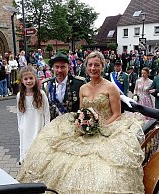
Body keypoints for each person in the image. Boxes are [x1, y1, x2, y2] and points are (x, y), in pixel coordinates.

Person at [17, 51, 145, 193]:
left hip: (108, 128)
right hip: (85, 129)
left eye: (97, 65)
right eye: (90, 65)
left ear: (103, 66)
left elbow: (116, 114)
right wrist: (82, 124)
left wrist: (100, 127)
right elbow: (81, 111)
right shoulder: (83, 88)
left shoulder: (110, 87)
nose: (93, 68)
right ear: (86, 67)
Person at [16, 66, 50, 163]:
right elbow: (19, 114)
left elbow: (46, 113)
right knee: (27, 148)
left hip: (38, 125)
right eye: (26, 79)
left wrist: (46, 128)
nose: (28, 81)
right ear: (22, 81)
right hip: (26, 127)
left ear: (35, 78)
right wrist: (20, 127)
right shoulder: (20, 95)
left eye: (31, 78)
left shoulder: (41, 94)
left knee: (38, 148)